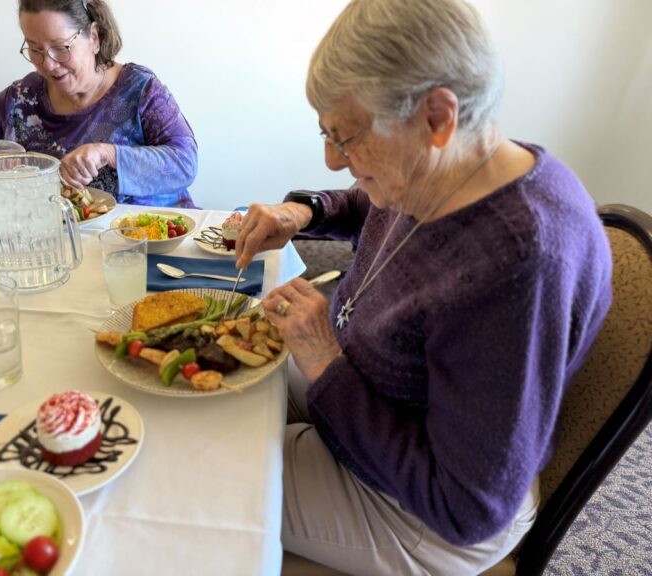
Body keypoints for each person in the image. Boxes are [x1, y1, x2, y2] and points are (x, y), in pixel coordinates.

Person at [234, 0, 613, 574]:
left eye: (346, 136)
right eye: (325, 132)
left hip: (422, 510)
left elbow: (468, 507)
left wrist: (326, 365)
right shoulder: (445, 166)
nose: (332, 159)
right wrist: (305, 213)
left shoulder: (519, 264)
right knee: (211, 394)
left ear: (437, 116)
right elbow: (372, 205)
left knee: (208, 468)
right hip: (362, 396)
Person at [0, 0, 198, 208]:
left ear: (94, 37)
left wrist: (108, 153)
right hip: (62, 243)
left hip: (150, 244)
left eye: (61, 47)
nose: (48, 64)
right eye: (35, 49)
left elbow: (185, 163)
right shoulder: (23, 97)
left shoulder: (138, 89)